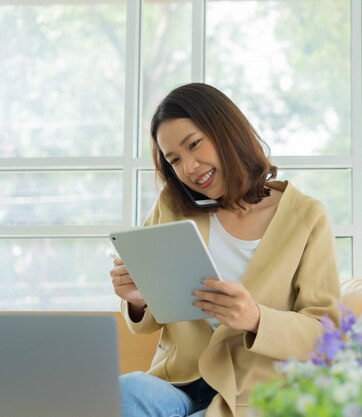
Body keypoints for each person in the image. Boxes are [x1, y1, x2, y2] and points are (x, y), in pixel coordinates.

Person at [109, 83, 341, 417]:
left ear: (227, 132)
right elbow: (146, 321)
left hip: (252, 392)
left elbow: (325, 334)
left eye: (194, 145)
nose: (189, 167)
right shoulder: (172, 205)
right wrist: (136, 299)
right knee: (124, 393)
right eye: (174, 159)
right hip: (178, 381)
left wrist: (256, 318)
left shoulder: (305, 217)